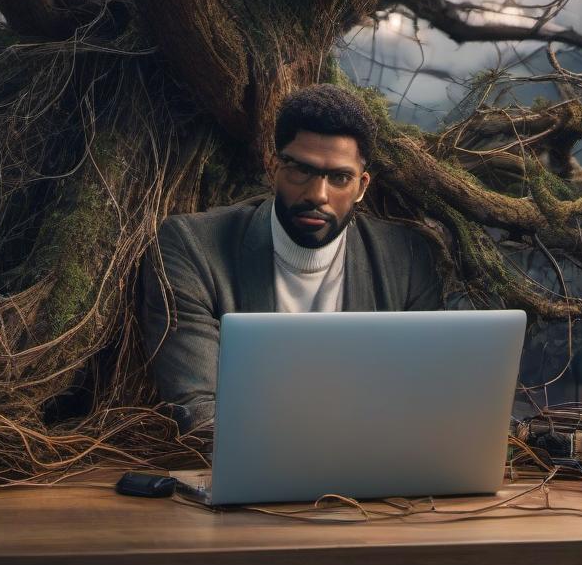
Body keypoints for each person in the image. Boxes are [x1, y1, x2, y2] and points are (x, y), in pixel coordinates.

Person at [141, 83, 446, 432]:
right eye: (301, 170)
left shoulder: (407, 260)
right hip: (253, 474)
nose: (317, 195)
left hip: (375, 474)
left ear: (361, 186)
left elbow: (424, 401)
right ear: (273, 168)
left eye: (339, 178)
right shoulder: (194, 247)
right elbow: (198, 409)